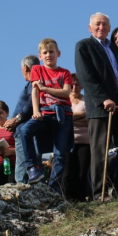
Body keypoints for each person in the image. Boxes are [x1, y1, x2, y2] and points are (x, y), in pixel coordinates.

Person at [75, 13, 118, 200]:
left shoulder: (115, 49)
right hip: (101, 107)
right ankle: (98, 193)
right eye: (97, 24)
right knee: (100, 151)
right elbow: (86, 76)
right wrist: (103, 99)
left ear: (109, 28)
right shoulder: (84, 46)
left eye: (104, 24)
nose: (101, 27)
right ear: (90, 28)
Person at [20, 38, 73, 194]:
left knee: (60, 153)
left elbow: (66, 92)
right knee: (25, 131)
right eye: (45, 52)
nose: (49, 55)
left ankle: (54, 186)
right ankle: (32, 168)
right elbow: (35, 91)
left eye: (51, 52)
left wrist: (45, 88)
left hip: (63, 113)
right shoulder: (37, 69)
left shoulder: (65, 72)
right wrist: (36, 110)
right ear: (40, 56)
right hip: (45, 111)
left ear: (58, 53)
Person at [3, 55, 41, 183]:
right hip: (25, 129)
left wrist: (17, 119)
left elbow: (31, 104)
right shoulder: (32, 84)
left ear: (25, 67)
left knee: (23, 166)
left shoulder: (33, 83)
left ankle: (22, 195)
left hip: (25, 129)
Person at [62, 73, 91, 201]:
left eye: (77, 85)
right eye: (72, 85)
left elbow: (89, 120)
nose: (74, 88)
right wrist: (81, 116)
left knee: (82, 171)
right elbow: (62, 119)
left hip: (85, 141)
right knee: (68, 171)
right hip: (68, 141)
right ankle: (67, 197)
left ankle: (81, 197)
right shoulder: (64, 101)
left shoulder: (87, 101)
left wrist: (71, 117)